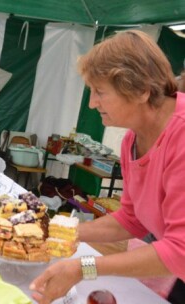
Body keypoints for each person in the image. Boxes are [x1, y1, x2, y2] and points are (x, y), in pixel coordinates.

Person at [30, 30, 185, 304]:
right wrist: (53, 228)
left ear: (140, 90)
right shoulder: (132, 140)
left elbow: (180, 250)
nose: (92, 103)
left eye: (100, 92)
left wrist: (83, 267)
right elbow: (132, 219)